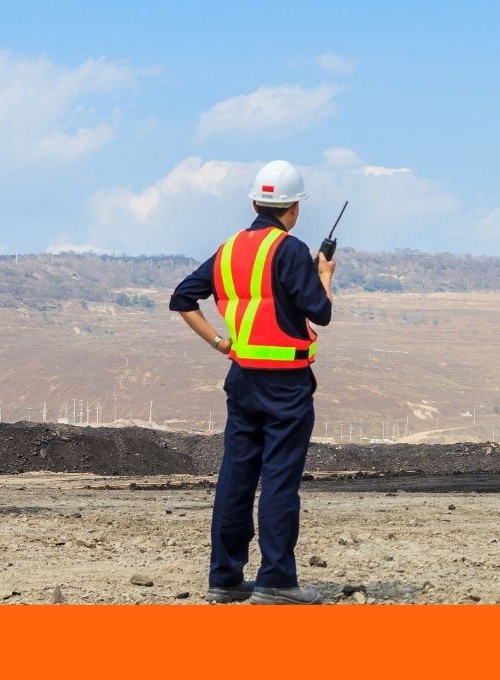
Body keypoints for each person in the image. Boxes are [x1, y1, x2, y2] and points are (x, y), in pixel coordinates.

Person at [169, 160, 335, 604]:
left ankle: (224, 578)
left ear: (255, 201)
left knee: (236, 476)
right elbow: (321, 312)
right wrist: (325, 276)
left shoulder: (227, 250)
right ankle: (276, 581)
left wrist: (221, 344)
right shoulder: (291, 249)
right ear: (294, 208)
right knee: (279, 479)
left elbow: (182, 297)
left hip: (242, 378)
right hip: (286, 384)